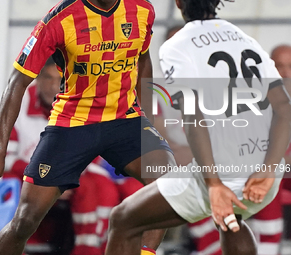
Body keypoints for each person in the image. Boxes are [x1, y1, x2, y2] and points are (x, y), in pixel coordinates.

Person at [0, 0, 175, 254]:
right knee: (25, 221)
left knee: (171, 183)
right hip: (72, 125)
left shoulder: (142, 10)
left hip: (125, 119)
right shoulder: (59, 20)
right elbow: (17, 81)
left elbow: (143, 59)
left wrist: (145, 116)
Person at [105, 1, 291, 255]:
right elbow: (284, 109)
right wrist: (268, 169)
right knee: (230, 219)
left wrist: (213, 184)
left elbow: (194, 119)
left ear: (178, 3)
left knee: (123, 219)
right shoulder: (245, 39)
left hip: (225, 173)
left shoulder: (177, 45)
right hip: (265, 174)